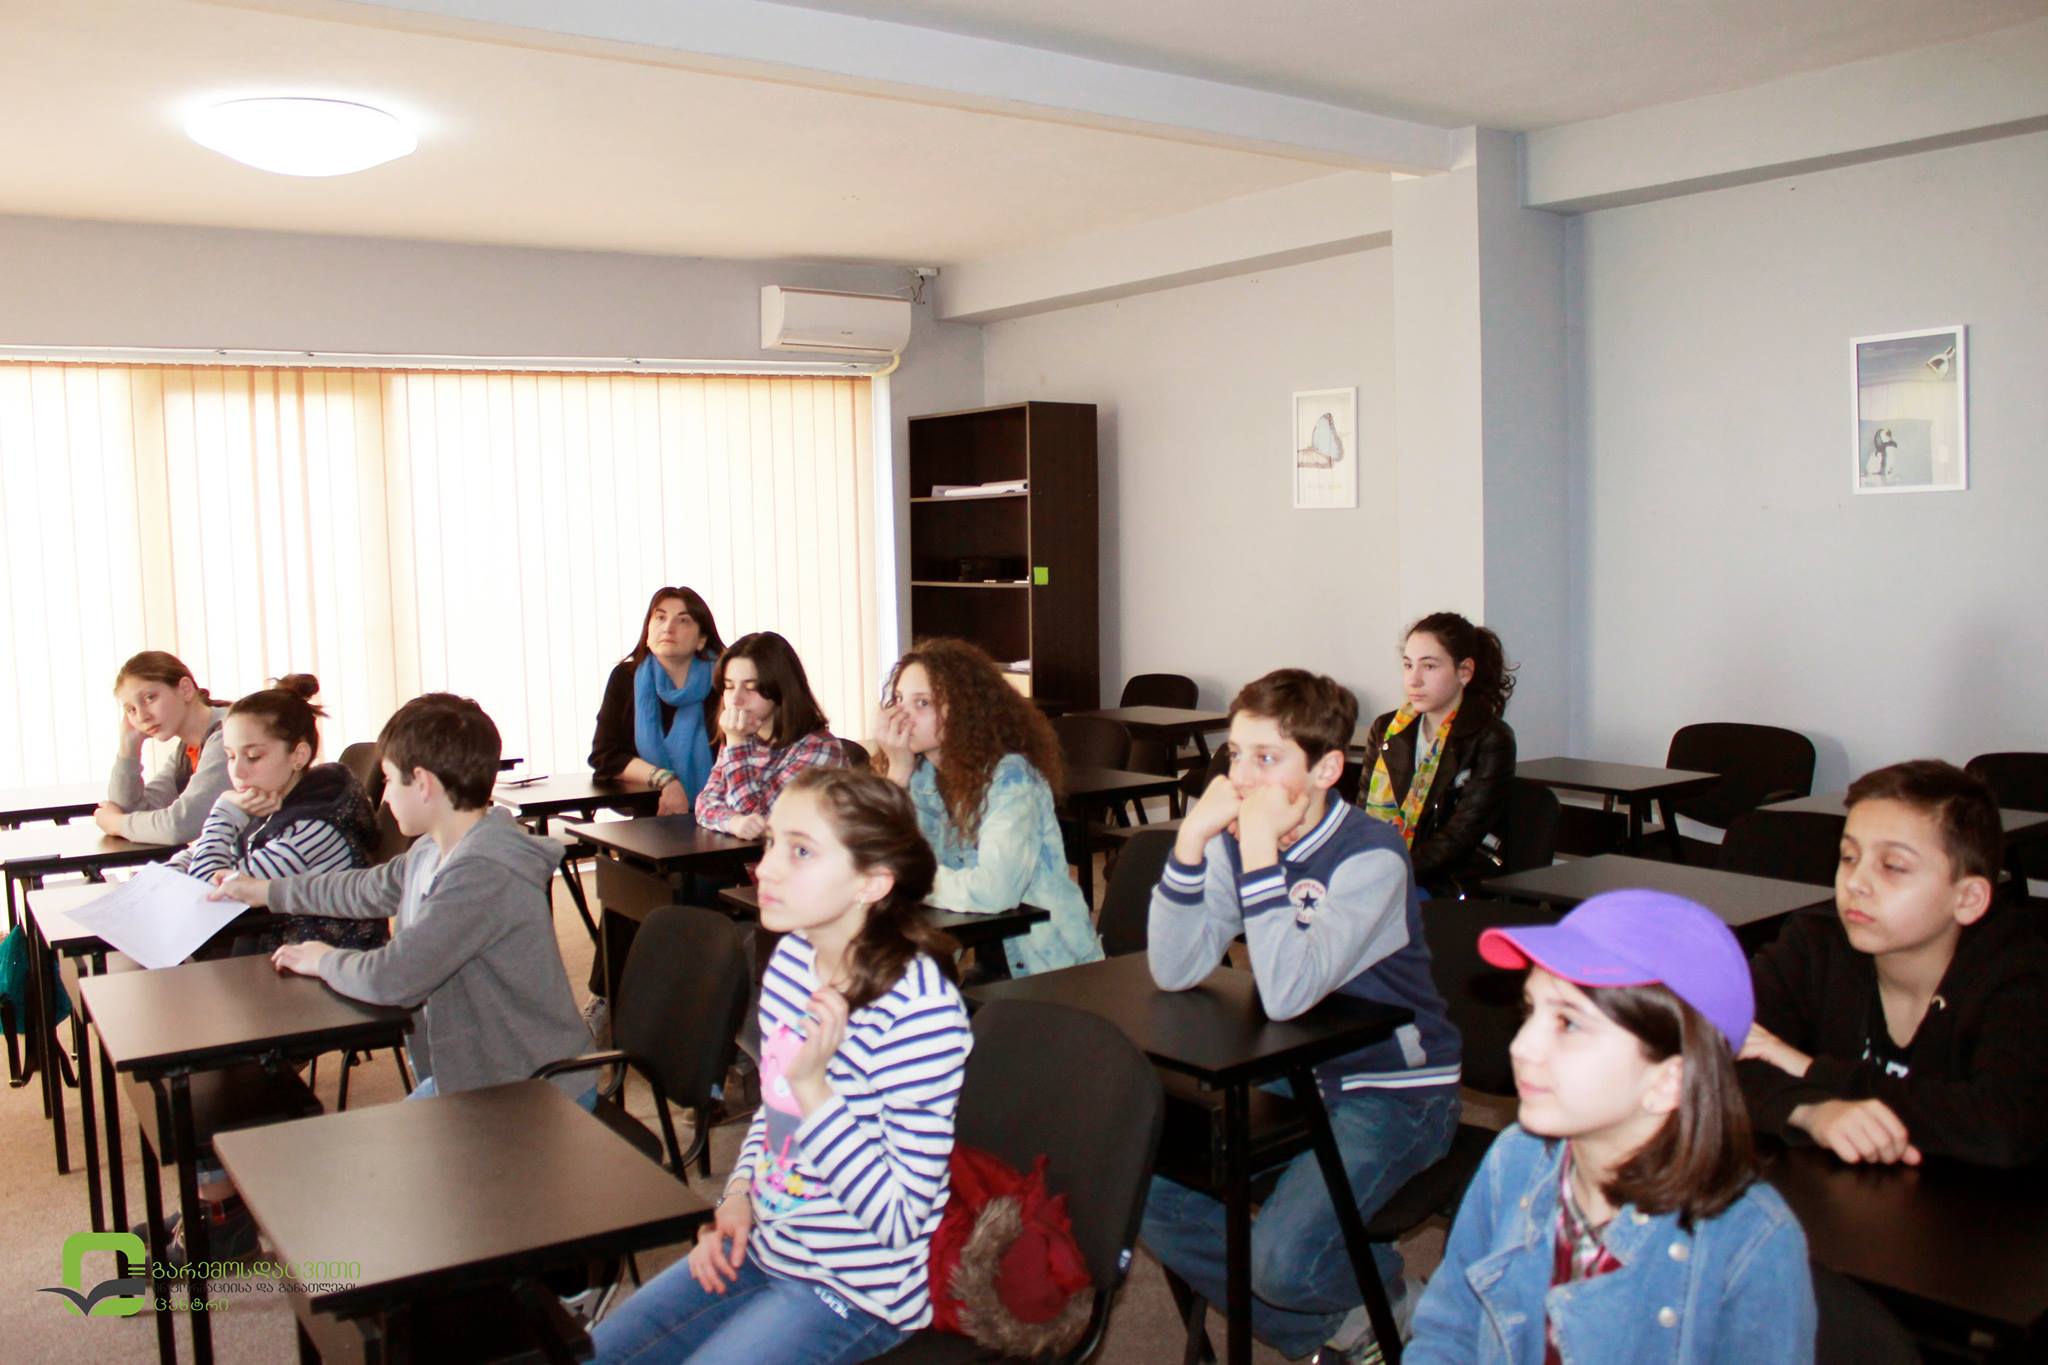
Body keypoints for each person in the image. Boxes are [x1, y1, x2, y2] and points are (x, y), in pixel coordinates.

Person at [593, 768, 971, 1364]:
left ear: (871, 882)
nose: (765, 869)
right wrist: (738, 1196)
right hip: (767, 1242)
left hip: (853, 1291)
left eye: (801, 851)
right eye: (771, 843)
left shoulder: (921, 1013)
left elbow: (900, 1219)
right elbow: (775, 1118)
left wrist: (813, 1088)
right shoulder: (794, 957)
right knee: (596, 1354)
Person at [1144, 668, 1460, 1364]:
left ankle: (1395, 1303)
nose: (1241, 779)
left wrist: (1258, 852)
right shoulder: (1234, 841)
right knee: (1150, 1184)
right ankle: (1362, 1320)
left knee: (1282, 1264)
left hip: (1395, 1089)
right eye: (1235, 754)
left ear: (1326, 769)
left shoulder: (1372, 855)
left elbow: (1288, 992)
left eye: (1267, 758)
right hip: (1294, 1068)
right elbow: (1174, 966)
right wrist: (1193, 840)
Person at [1407, 890, 1816, 1364]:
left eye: (1569, 1024)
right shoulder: (1515, 1158)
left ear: (1669, 1080)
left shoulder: (1753, 1242)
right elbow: (1449, 1330)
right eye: (1531, 1010)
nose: (1521, 1046)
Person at [216, 693, 591, 1105]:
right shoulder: (435, 848)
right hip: (477, 1076)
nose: (387, 796)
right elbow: (366, 888)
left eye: (390, 780)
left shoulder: (483, 872)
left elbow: (392, 978)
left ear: (423, 783)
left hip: (534, 1091)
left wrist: (322, 959)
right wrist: (267, 891)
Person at [1738, 759, 2048, 1168]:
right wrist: (1812, 1112)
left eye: (1893, 866)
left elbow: (2004, 1123)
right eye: (1849, 856)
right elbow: (1707, 1060)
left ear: (1968, 898)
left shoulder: (2020, 972)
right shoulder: (1813, 944)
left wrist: (1810, 1069)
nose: (1855, 883)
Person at [874, 638, 1101, 977]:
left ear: (965, 710)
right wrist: (897, 774)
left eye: (922, 703)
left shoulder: (1011, 779)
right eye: (898, 700)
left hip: (1050, 968)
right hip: (984, 959)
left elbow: (995, 891)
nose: (903, 717)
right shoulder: (921, 776)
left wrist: (911, 880)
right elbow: (874, 860)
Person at [179, 674, 382, 954]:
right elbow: (197, 858)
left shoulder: (315, 829)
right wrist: (171, 873)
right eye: (231, 756)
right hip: (276, 952)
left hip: (320, 966)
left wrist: (224, 810)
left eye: (253, 756)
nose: (237, 771)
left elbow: (207, 895)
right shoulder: (272, 800)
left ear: (298, 756)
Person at [1356, 612, 1517, 896]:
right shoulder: (1386, 729)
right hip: (1388, 870)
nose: (1414, 680)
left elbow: (1461, 836)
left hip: (1449, 881)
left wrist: (1390, 873)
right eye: (1408, 665)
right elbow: (1363, 819)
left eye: (1429, 666)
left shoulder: (1491, 738)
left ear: (1464, 672)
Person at [590, 586, 726, 814]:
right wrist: (665, 779)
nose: (668, 627)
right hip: (648, 814)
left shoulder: (724, 681)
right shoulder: (625, 678)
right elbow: (605, 756)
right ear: (647, 632)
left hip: (721, 815)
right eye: (660, 617)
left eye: (683, 620)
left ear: (701, 640)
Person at [694, 631, 844, 838]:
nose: (736, 699)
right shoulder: (742, 735)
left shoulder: (819, 749)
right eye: (729, 687)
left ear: (781, 689)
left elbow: (759, 820)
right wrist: (732, 822)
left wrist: (736, 744)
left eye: (751, 687)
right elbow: (705, 803)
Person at [96, 649, 231, 845]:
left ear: (185, 689)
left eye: (149, 698)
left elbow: (181, 825)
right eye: (131, 709)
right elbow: (130, 811)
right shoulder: (187, 750)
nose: (142, 716)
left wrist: (116, 823)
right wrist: (128, 747)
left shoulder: (229, 736)